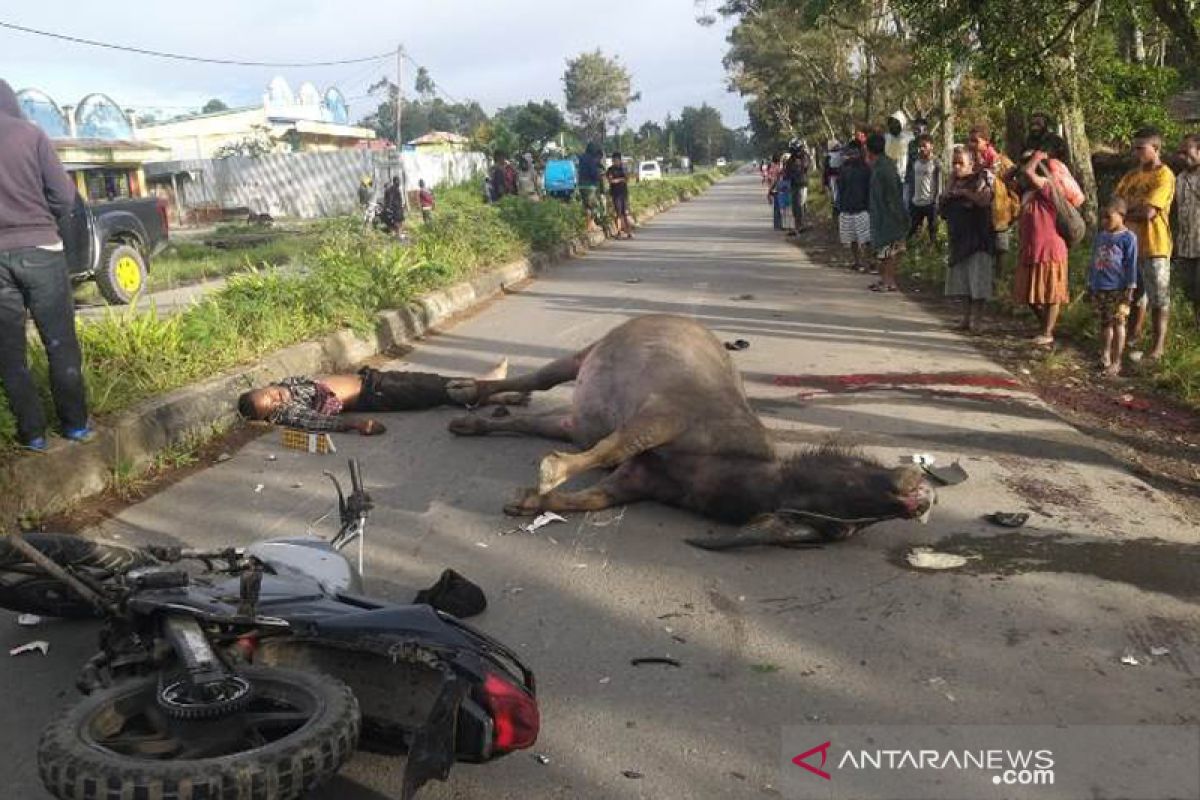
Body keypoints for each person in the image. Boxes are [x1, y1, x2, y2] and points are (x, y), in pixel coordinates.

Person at [0, 80, 91, 452]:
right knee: (59, 344)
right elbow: (64, 196)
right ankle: (75, 427)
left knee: (9, 352)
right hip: (41, 249)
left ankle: (32, 434)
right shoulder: (30, 134)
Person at [238, 360, 524, 434]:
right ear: (272, 414)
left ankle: (496, 396)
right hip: (374, 393)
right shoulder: (289, 410)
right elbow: (317, 423)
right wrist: (357, 425)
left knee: (430, 387)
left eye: (268, 394)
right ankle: (491, 384)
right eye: (272, 406)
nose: (276, 398)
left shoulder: (286, 385)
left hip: (370, 379)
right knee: (433, 388)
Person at [1116, 126, 1176, 362]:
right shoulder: (1131, 176)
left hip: (1155, 245)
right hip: (1130, 245)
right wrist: (1123, 211)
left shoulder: (1164, 175)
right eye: (1134, 148)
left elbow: (1149, 212)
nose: (1136, 152)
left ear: (1156, 148)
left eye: (1141, 148)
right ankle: (1132, 339)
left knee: (1159, 298)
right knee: (1133, 296)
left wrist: (1123, 212)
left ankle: (1158, 347)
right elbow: (1114, 203)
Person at [1012, 150, 1075, 345]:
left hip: (1050, 249)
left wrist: (1037, 158)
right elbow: (1005, 181)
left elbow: (1031, 173)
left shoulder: (1048, 186)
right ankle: (1046, 326)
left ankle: (1047, 332)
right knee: (1028, 294)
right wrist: (1016, 167)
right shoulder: (1028, 193)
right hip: (1030, 249)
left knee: (1051, 294)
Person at [940, 146, 996, 332]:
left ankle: (977, 321)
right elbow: (943, 207)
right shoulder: (953, 182)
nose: (956, 167)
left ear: (971, 164)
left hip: (978, 240)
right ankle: (965, 318)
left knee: (978, 283)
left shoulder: (981, 180)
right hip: (959, 240)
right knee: (963, 283)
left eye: (961, 163)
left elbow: (984, 200)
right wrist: (950, 185)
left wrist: (965, 193)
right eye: (954, 163)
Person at [1087, 197, 1139, 376]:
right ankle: (1105, 356)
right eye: (1102, 218)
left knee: (1118, 324)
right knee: (1104, 324)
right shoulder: (1101, 236)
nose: (1104, 221)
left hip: (1118, 289)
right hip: (1100, 287)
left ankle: (1117, 362)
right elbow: (1093, 261)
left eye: (1108, 217)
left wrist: (1130, 289)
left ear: (1121, 215)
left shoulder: (1128, 238)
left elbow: (1131, 264)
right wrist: (1090, 283)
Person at [865, 132, 907, 292]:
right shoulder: (880, 166)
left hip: (889, 215)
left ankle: (889, 281)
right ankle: (884, 279)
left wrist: (898, 215)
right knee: (884, 249)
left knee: (890, 251)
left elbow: (892, 195)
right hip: (882, 214)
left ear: (868, 149)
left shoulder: (885, 167)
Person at [836, 142, 872, 271]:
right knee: (852, 238)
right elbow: (840, 188)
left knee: (866, 239)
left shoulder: (866, 169)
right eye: (850, 153)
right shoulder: (843, 169)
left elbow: (870, 189)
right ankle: (857, 262)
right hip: (847, 208)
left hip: (862, 208)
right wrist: (839, 205)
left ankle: (868, 262)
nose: (852, 156)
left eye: (855, 153)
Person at [1175, 134, 1200, 314]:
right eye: (1180, 153)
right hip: (1185, 247)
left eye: (1186, 152)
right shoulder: (1179, 179)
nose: (1182, 156)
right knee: (1189, 294)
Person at [906, 134, 942, 245]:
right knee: (912, 230)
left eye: (924, 146)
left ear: (931, 146)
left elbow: (940, 183)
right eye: (920, 146)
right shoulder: (914, 162)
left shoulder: (936, 163)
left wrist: (937, 200)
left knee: (932, 231)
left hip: (930, 203)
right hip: (916, 202)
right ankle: (910, 250)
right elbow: (911, 181)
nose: (921, 149)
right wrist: (910, 198)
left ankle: (933, 252)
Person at [578, 143, 611, 236]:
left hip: (581, 185)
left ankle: (591, 225)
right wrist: (600, 175)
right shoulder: (591, 160)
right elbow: (593, 173)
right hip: (590, 186)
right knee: (594, 206)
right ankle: (590, 225)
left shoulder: (582, 158)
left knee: (587, 206)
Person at [784, 140, 812, 235]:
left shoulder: (804, 156)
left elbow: (805, 167)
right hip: (793, 185)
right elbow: (787, 172)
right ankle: (797, 226)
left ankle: (802, 225)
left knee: (801, 205)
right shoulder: (791, 159)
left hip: (801, 184)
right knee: (795, 206)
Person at [606, 152, 633, 239]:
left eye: (617, 160)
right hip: (615, 194)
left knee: (625, 213)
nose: (615, 162)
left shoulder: (623, 169)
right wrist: (620, 179)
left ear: (620, 160)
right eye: (614, 160)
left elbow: (627, 179)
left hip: (624, 194)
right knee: (618, 214)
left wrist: (618, 180)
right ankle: (619, 232)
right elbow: (610, 180)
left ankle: (629, 232)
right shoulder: (610, 169)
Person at [770, 167, 792, 231]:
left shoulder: (789, 181)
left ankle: (788, 226)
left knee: (787, 213)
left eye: (783, 173)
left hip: (787, 198)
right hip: (781, 198)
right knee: (783, 213)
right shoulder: (778, 181)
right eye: (781, 174)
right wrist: (773, 193)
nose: (782, 175)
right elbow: (772, 189)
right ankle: (782, 226)